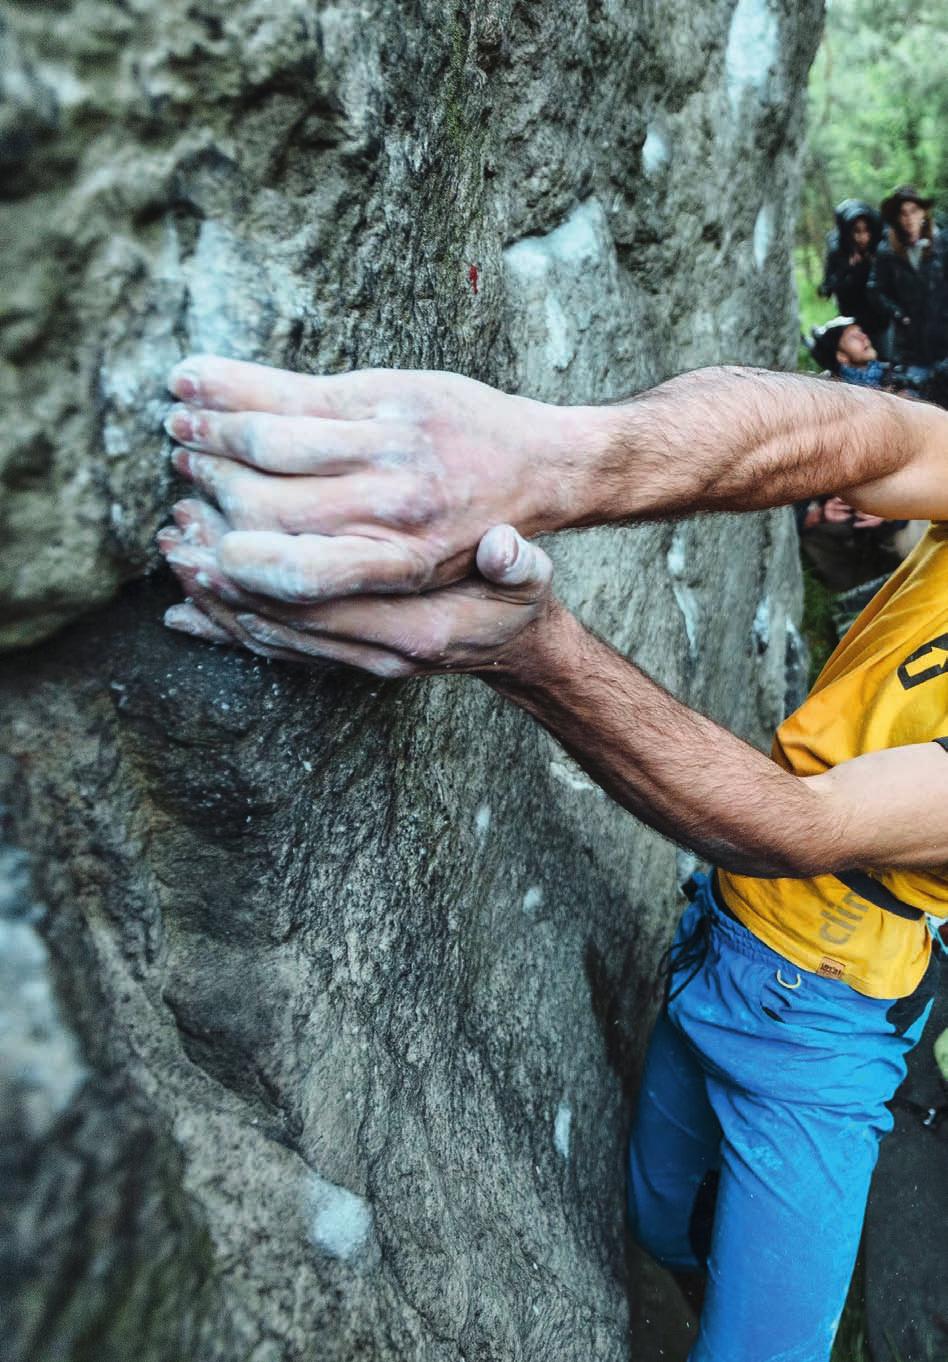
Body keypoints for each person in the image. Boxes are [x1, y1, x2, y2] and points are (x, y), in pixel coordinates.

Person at [157, 355, 948, 1362]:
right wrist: (560, 458)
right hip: (727, 937)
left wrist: (529, 651)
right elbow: (880, 435)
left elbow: (801, 825)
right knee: (662, 1217)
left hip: (824, 1026)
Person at [868, 185, 948, 379]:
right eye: (903, 213)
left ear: (923, 213)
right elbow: (875, 289)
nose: (909, 218)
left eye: (913, 211)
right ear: (896, 218)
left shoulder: (943, 244)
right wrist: (898, 313)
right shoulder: (887, 251)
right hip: (910, 341)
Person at [819, 199, 884, 349]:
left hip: (880, 319)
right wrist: (847, 269)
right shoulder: (838, 250)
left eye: (866, 230)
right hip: (851, 318)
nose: (862, 237)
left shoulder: (880, 248)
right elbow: (826, 288)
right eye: (857, 231)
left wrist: (873, 264)